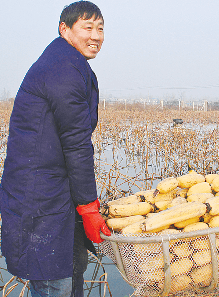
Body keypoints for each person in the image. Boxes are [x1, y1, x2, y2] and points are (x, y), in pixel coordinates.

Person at [0, 1, 111, 296]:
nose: (96, 36)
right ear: (65, 29)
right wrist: (89, 208)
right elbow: (76, 143)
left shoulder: (67, 62)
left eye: (100, 29)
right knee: (54, 283)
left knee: (70, 273)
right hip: (41, 199)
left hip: (53, 193)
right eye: (87, 28)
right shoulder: (63, 69)